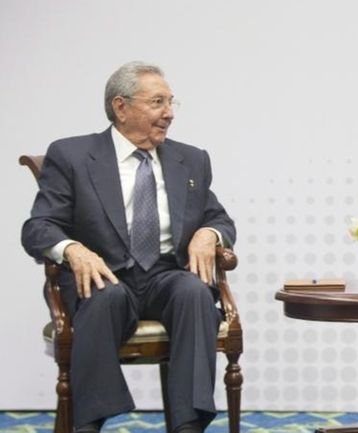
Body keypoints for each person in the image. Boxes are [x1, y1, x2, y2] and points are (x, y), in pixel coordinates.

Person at [21, 61, 236, 433]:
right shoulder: (73, 156)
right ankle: (90, 422)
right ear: (121, 107)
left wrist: (209, 234)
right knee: (108, 296)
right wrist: (73, 250)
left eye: (171, 103)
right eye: (157, 102)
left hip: (164, 278)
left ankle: (188, 425)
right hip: (101, 278)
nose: (168, 113)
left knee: (195, 293)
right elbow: (38, 227)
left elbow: (218, 217)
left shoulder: (191, 159)